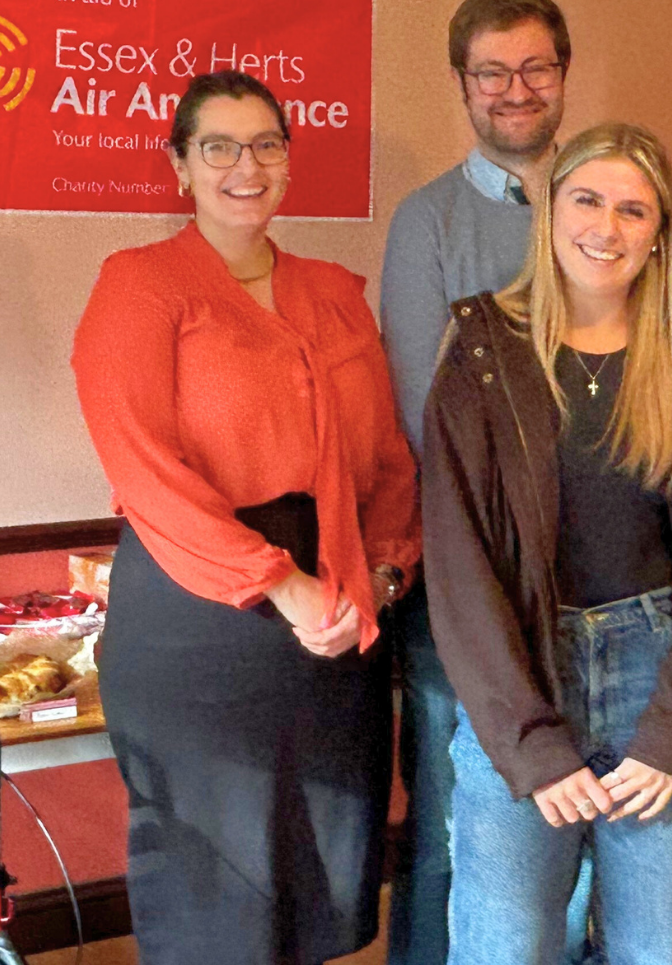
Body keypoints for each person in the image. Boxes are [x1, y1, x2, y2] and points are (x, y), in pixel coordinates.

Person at [72, 70, 420, 965]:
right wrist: (284, 585)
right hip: (199, 626)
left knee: (320, 883)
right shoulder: (140, 286)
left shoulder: (335, 292)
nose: (245, 165)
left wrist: (375, 580)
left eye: (266, 144)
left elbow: (385, 458)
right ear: (180, 164)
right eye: (218, 146)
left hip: (337, 624)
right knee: (216, 900)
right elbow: (144, 470)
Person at [423, 122, 672, 964]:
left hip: (661, 677)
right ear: (549, 210)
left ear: (657, 236)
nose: (605, 228)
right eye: (586, 199)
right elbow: (461, 569)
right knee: (509, 947)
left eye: (632, 210)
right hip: (521, 674)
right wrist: (529, 738)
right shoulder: (481, 356)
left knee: (655, 948)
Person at [378, 0, 575, 965]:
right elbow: (431, 421)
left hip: (596, 587)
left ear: (563, 75)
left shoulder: (608, 208)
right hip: (468, 584)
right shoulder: (428, 225)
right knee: (457, 834)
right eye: (491, 71)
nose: (514, 88)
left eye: (534, 66)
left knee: (574, 830)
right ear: (461, 84)